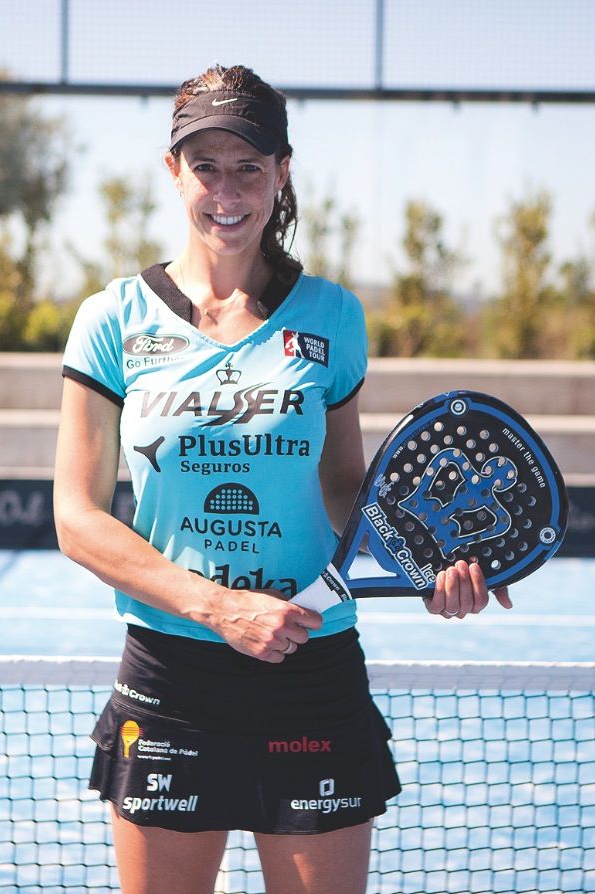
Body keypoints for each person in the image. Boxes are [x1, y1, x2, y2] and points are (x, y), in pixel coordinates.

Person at [54, 63, 509, 894]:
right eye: (207, 167)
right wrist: (219, 608)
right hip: (171, 677)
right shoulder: (111, 320)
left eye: (250, 168)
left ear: (283, 173)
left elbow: (346, 488)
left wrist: (428, 566)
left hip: (311, 674)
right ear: (173, 172)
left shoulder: (334, 316)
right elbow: (76, 518)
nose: (227, 192)